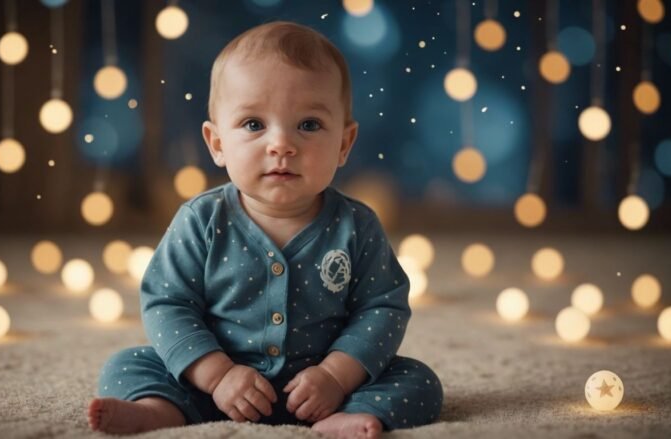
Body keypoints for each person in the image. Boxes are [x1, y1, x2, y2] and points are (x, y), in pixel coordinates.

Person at [87, 21, 442, 439]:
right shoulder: (201, 220)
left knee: (419, 380)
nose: (281, 145)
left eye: (308, 124)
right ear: (217, 143)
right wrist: (218, 376)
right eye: (254, 124)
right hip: (215, 387)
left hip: (326, 389)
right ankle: (158, 411)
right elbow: (167, 303)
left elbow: (383, 308)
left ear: (344, 144)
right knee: (128, 364)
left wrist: (335, 376)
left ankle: (346, 418)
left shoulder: (356, 226)